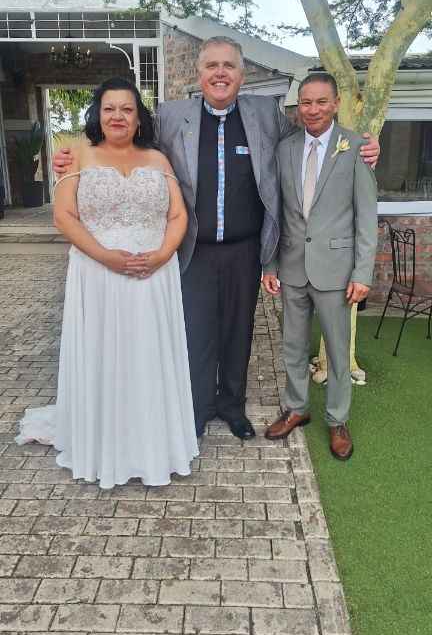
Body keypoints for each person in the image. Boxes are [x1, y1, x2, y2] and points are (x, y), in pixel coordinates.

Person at [53, 37, 380, 441]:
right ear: (199, 73)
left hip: (245, 250)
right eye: (212, 66)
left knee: (238, 333)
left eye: (229, 66)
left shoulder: (266, 114)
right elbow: (125, 142)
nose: (220, 73)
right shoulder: (172, 116)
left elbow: (314, 138)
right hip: (194, 248)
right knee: (197, 333)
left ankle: (232, 407)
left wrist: (365, 145)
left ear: (241, 75)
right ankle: (198, 407)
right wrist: (76, 153)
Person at [16, 77, 198, 488]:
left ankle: (153, 441)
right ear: (98, 115)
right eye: (110, 108)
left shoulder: (159, 159)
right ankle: (104, 444)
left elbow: (178, 216)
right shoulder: (79, 155)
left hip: (154, 276)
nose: (118, 116)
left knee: (148, 355)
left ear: (139, 118)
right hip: (97, 275)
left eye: (127, 109)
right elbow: (64, 216)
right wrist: (105, 256)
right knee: (104, 353)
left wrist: (163, 254)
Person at [263, 72, 378, 460]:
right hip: (292, 266)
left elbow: (366, 217)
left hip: (337, 271)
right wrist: (271, 263)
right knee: (293, 346)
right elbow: (276, 212)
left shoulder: (357, 147)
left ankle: (337, 419)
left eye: (321, 102)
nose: (312, 110)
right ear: (299, 106)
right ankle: (297, 408)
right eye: (306, 102)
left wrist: (363, 273)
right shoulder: (285, 149)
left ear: (335, 103)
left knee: (338, 351)